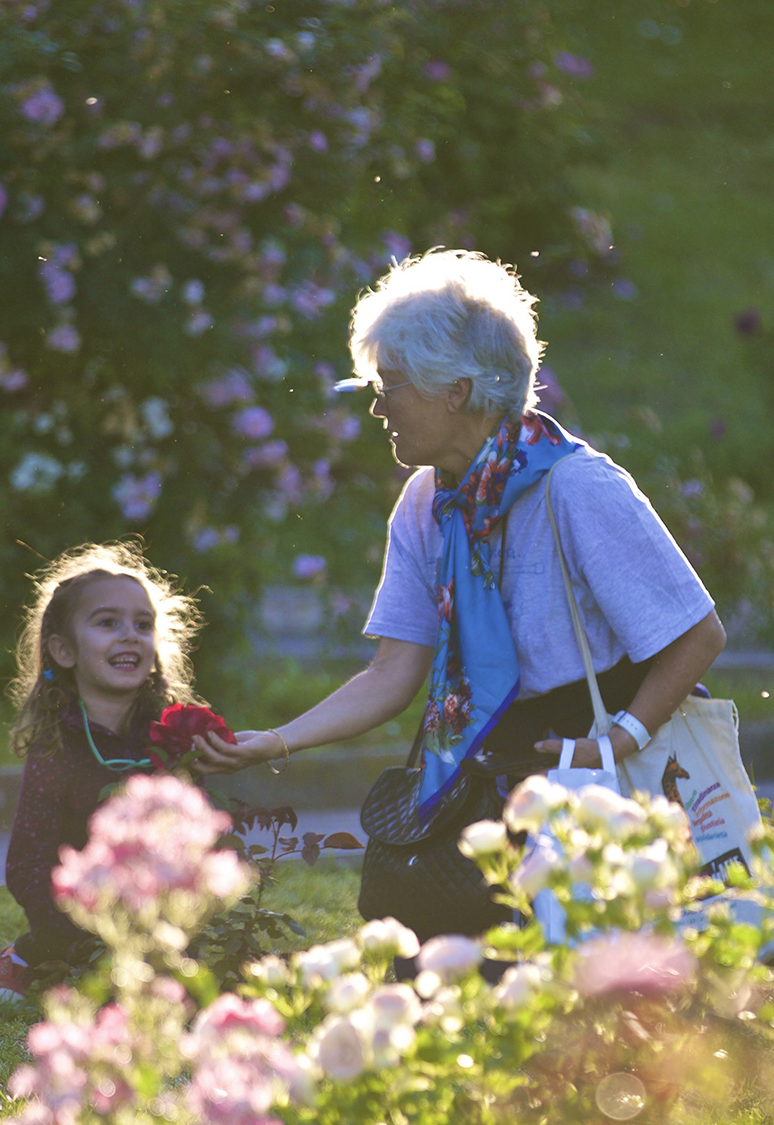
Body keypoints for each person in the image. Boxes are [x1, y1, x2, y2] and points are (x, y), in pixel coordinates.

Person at [191, 249, 726, 933]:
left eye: (392, 386)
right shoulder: (426, 502)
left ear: (457, 392)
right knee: (438, 949)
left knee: (591, 967)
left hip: (592, 761)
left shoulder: (577, 487)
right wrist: (278, 741)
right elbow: (394, 671)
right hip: (489, 756)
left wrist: (615, 743)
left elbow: (697, 634)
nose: (378, 407)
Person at [0, 544, 203, 1000]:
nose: (129, 636)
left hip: (162, 907)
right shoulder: (56, 745)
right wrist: (76, 931)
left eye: (143, 625)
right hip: (77, 912)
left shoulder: (173, 735)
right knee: (78, 983)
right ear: (63, 650)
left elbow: (200, 836)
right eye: (108, 623)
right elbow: (27, 864)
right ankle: (22, 958)